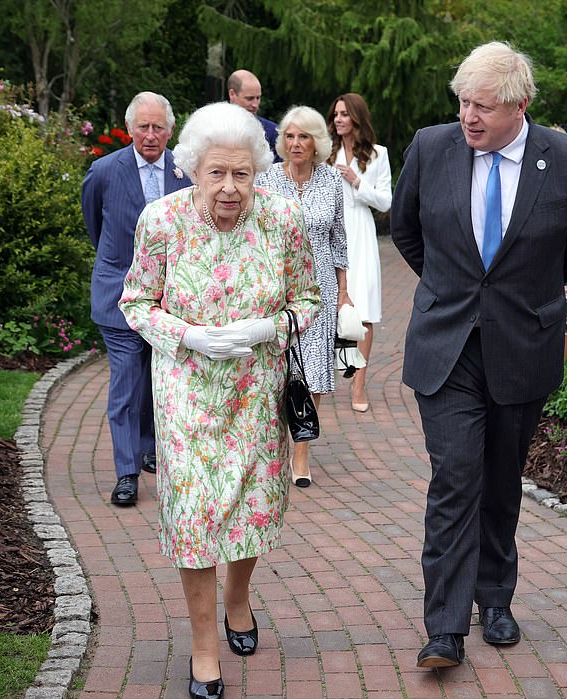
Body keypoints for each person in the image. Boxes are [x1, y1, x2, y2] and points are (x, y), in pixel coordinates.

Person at [391, 41, 567, 668]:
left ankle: (497, 598)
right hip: (447, 345)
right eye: (462, 102)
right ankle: (446, 628)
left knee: (502, 481)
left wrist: (525, 297)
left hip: (522, 345)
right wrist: (454, 289)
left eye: (483, 106)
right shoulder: (431, 149)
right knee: (456, 477)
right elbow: (406, 229)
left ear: (521, 106)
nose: (469, 116)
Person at [119, 101, 320, 699]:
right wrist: (189, 335)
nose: (230, 188)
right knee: (195, 515)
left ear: (259, 171)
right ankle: (204, 646)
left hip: (256, 393)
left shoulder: (283, 221)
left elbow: (308, 298)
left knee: (252, 506)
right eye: (217, 173)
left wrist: (270, 329)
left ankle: (238, 595)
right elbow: (134, 303)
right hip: (186, 393)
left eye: (243, 174)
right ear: (192, 170)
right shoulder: (161, 222)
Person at [82, 91, 192, 507]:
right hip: (118, 295)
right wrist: (118, 268)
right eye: (143, 126)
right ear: (130, 129)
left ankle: (149, 445)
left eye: (158, 126)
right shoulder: (105, 171)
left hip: (168, 299)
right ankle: (127, 473)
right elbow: (95, 223)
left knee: (156, 377)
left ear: (170, 129)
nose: (151, 134)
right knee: (127, 382)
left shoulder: (184, 173)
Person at [257, 105, 349, 487]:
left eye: (304, 137)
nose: (296, 143)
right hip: (276, 287)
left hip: (321, 288)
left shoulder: (331, 181)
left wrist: (344, 292)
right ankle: (273, 444)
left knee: (312, 371)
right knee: (276, 368)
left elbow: (339, 239)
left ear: (317, 143)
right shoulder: (265, 179)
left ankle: (301, 452)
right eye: (290, 136)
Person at [326, 93, 392, 412]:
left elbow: (385, 202)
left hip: (362, 232)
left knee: (362, 311)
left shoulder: (378, 155)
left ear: (357, 118)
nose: (338, 119)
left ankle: (358, 385)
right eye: (336, 114)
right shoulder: (325, 153)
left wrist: (356, 182)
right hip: (330, 232)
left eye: (344, 114)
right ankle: (329, 374)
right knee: (331, 308)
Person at [228, 69, 280, 161]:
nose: (255, 105)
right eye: (249, 98)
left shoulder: (273, 134)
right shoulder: (210, 127)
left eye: (258, 98)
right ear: (232, 94)